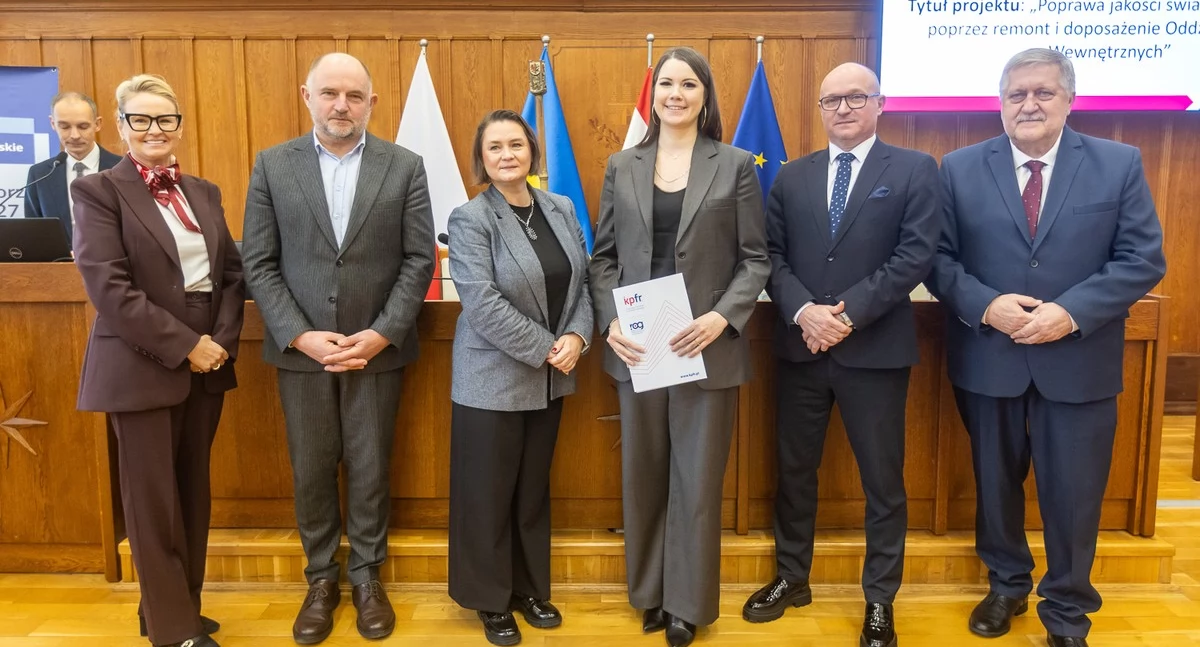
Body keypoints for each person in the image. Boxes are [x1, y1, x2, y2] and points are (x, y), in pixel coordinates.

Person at [925, 48, 1166, 647]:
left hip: (1078, 360)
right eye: (1016, 95)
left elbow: (1143, 259)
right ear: (1000, 103)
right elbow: (936, 258)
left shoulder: (1118, 163)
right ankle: (1006, 583)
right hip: (989, 357)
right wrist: (987, 305)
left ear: (1070, 99)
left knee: (1075, 493)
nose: (1028, 104)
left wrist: (1071, 312)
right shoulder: (956, 168)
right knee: (995, 484)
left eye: (1044, 93)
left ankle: (1066, 613)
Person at [242, 52, 435, 644]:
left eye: (354, 95)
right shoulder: (273, 165)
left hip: (378, 350)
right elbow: (259, 261)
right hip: (301, 354)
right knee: (311, 470)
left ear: (372, 103)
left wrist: (380, 333)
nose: (341, 105)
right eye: (330, 93)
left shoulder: (405, 166)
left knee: (373, 467)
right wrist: (300, 334)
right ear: (308, 96)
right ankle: (321, 578)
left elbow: (418, 259)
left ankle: (368, 576)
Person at [744, 62, 940, 647]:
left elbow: (914, 257)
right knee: (795, 473)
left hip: (875, 352)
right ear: (820, 109)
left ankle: (879, 599)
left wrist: (845, 315)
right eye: (832, 101)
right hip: (801, 348)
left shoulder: (914, 169)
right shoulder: (792, 176)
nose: (844, 109)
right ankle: (791, 577)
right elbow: (770, 257)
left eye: (857, 98)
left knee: (883, 482)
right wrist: (806, 313)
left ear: (880, 104)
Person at [589, 46, 770, 647]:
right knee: (643, 475)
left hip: (705, 345)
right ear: (654, 93)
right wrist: (610, 319)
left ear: (704, 95)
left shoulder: (737, 164)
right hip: (639, 347)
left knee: (696, 482)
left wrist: (723, 318)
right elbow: (604, 258)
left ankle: (687, 605)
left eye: (688, 84)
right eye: (666, 83)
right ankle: (648, 595)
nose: (675, 93)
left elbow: (755, 259)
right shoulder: (623, 164)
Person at [72, 74, 245, 647]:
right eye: (140, 119)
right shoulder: (99, 191)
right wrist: (186, 345)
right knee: (152, 503)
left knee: (192, 493)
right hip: (142, 362)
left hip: (207, 360)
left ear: (179, 127)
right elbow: (111, 290)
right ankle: (174, 632)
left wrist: (217, 342)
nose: (154, 129)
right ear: (120, 127)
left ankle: (177, 609)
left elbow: (230, 274)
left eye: (164, 119)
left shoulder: (204, 191)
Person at [446, 109, 593, 647]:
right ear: (481, 159)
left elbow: (585, 279)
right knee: (486, 494)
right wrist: (547, 347)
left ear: (532, 151)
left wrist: (576, 338)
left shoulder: (560, 206)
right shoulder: (470, 217)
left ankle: (529, 588)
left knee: (531, 491)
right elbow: (481, 303)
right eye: (494, 148)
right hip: (493, 377)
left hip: (552, 376)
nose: (507, 155)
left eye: (516, 144)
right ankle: (490, 600)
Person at [24, 92, 122, 243]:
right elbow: (33, 233)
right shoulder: (40, 174)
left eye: (83, 126)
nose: (74, 135)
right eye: (64, 127)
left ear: (97, 124)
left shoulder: (122, 169)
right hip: (59, 264)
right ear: (52, 124)